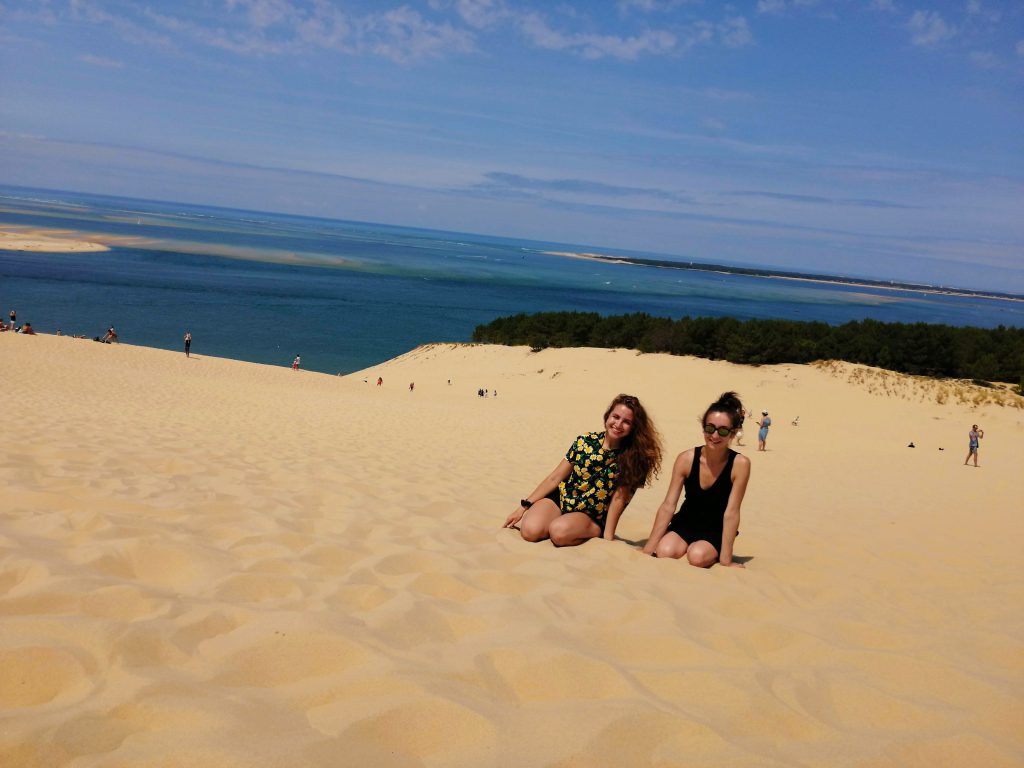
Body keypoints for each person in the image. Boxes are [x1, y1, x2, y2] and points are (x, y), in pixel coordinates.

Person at [503, 394, 662, 547]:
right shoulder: (585, 440)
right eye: (615, 417)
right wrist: (523, 507)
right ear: (607, 416)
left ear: (634, 427)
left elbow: (618, 500)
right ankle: (559, 520)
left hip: (591, 513)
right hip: (562, 498)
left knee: (559, 533)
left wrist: (608, 537)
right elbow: (555, 477)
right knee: (530, 531)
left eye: (627, 421)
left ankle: (591, 530)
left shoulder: (633, 457)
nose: (618, 424)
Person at [643, 391, 751, 568]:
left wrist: (726, 560)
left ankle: (705, 550)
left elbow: (732, 512)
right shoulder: (685, 459)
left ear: (733, 434)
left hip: (715, 529)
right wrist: (648, 549)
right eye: (710, 428)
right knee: (664, 552)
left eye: (723, 431)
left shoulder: (740, 464)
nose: (715, 436)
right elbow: (668, 505)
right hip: (685, 523)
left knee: (697, 557)